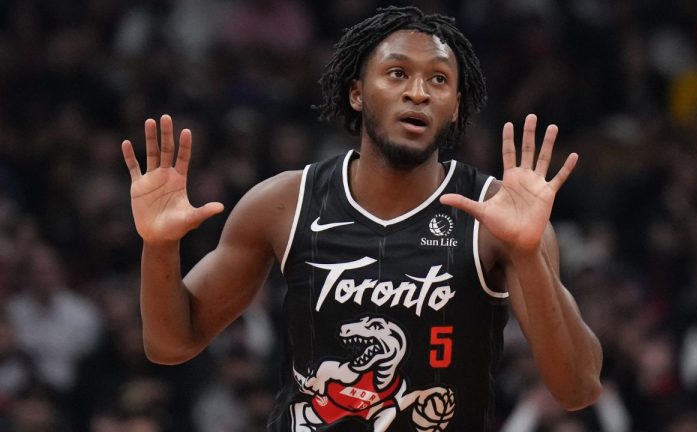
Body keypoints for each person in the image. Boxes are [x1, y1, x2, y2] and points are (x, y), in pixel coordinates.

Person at [121, 6, 603, 431]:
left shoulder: (495, 212)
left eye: (438, 79)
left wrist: (527, 253)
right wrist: (159, 246)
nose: (418, 92)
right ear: (356, 93)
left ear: (455, 108)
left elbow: (577, 389)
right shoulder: (285, 202)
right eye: (396, 73)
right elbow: (169, 344)